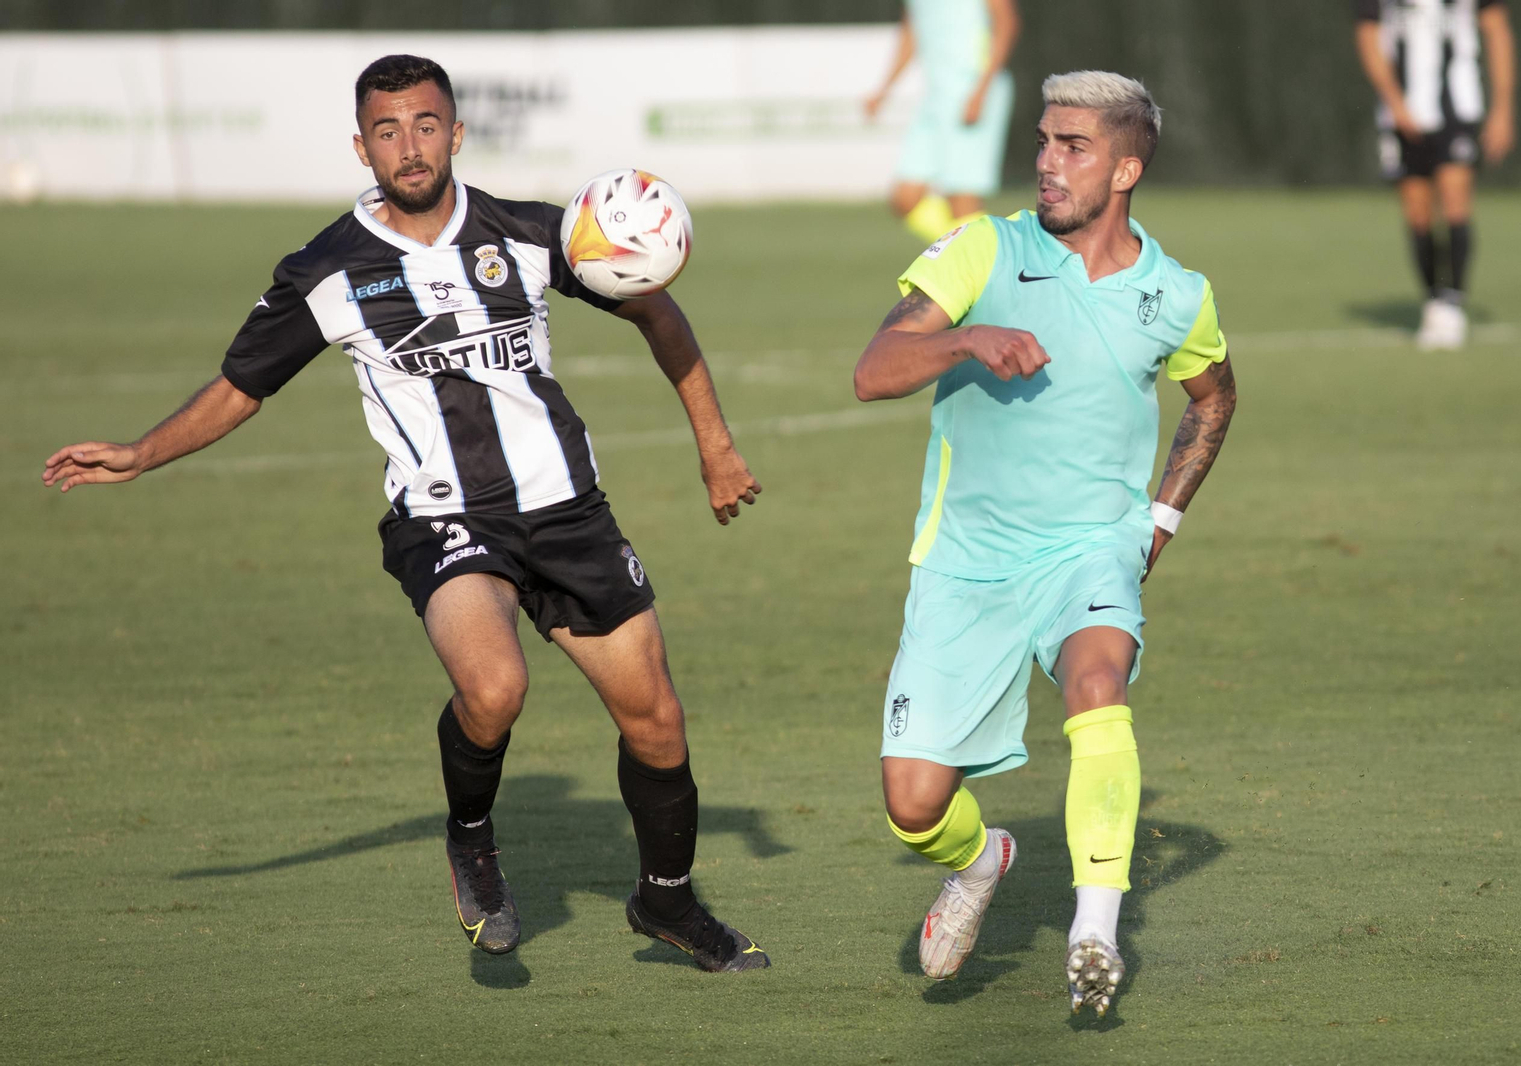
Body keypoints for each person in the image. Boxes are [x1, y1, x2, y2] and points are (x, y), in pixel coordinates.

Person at [41, 54, 771, 973]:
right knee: (496, 689)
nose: (409, 146)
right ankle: (471, 836)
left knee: (656, 719)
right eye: (387, 131)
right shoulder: (327, 270)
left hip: (568, 511)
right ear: (362, 145)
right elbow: (240, 388)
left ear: (456, 132)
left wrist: (715, 444)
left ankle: (665, 902)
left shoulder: (533, 233)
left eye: (426, 125)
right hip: (443, 520)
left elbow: (657, 310)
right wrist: (142, 452)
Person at [852, 71, 1237, 1015]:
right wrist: (966, 339)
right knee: (913, 806)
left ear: (1128, 167)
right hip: (966, 563)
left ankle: (1094, 929)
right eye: (1044, 142)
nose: (1048, 164)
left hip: (1088, 551)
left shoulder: (1178, 295)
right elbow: (872, 371)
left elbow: (1215, 396)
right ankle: (984, 860)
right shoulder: (983, 247)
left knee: (1097, 686)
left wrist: (1160, 518)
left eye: (1075, 148)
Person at [1354, 0, 1516, 350]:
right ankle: (1433, 301)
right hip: (1401, 113)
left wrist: (1503, 107)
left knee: (1456, 201)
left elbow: (1497, 30)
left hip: (1458, 107)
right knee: (1418, 213)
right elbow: (1368, 35)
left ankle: (1452, 303)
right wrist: (1394, 102)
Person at [864, 0, 1020, 244]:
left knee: (961, 199)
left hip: (973, 89)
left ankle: (980, 264)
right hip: (935, 97)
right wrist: (884, 89)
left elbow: (1006, 23)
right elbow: (911, 33)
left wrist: (981, 90)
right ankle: (978, 254)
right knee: (905, 198)